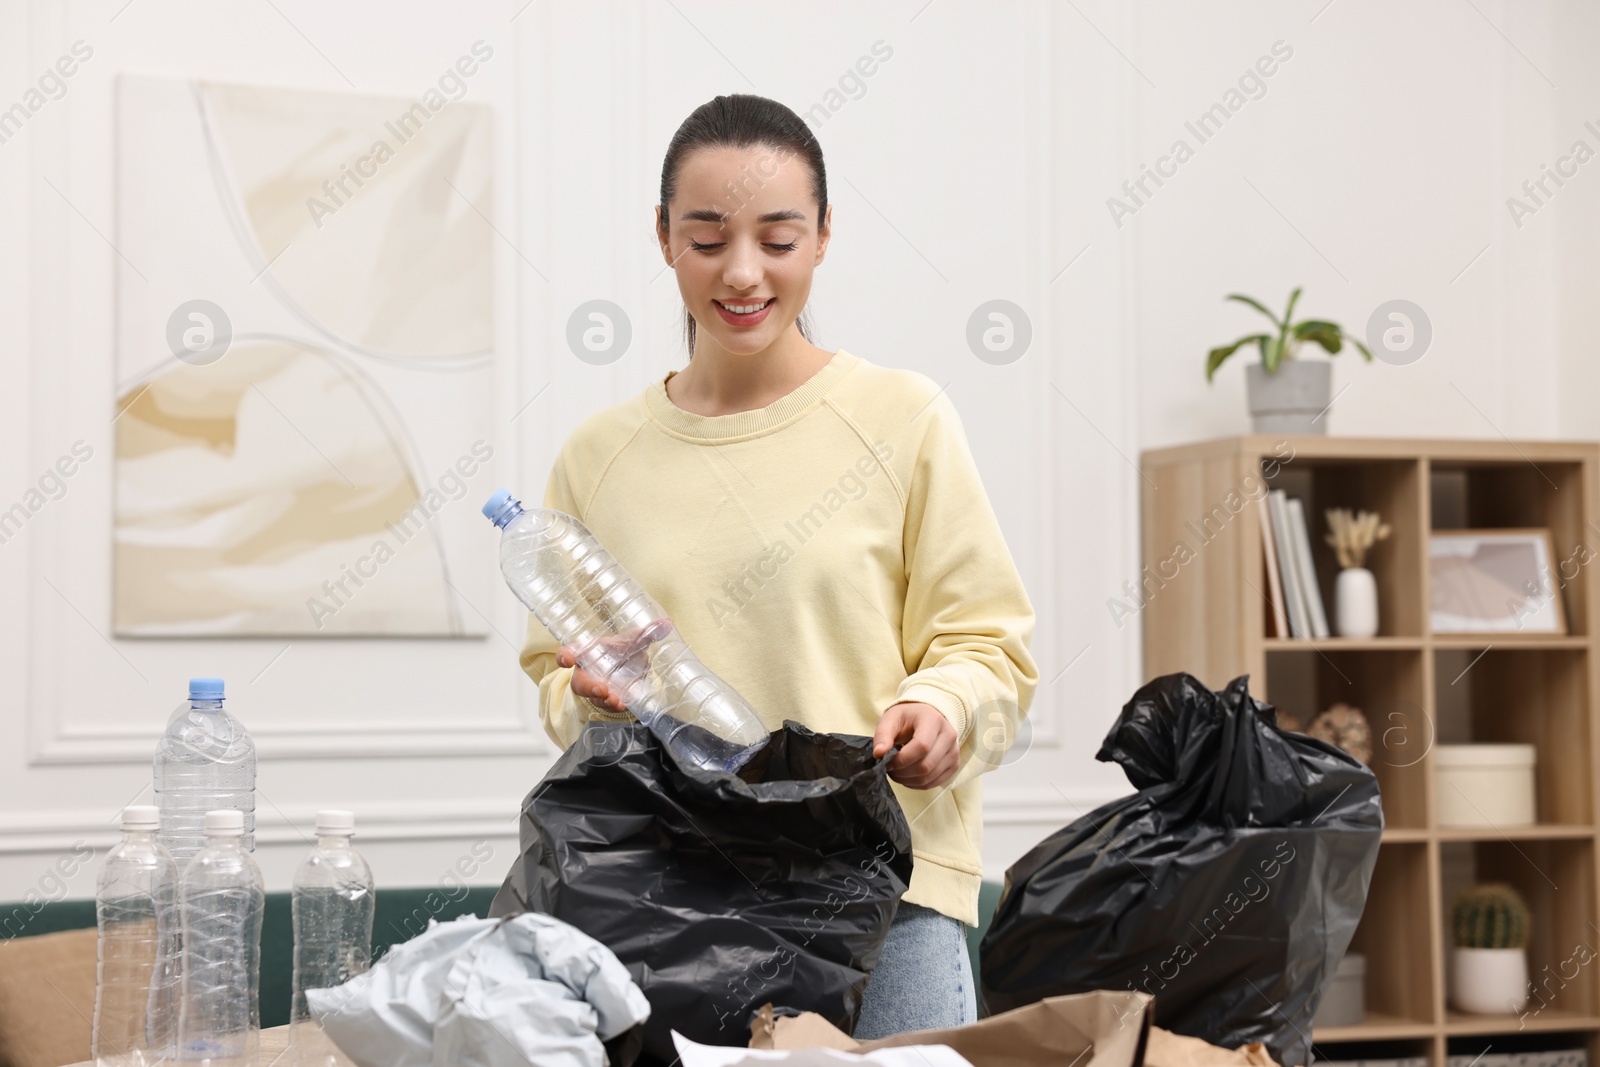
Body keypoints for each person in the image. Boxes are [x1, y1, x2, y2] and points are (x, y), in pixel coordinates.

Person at [519, 92, 1038, 1037]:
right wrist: (596, 697)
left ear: (826, 236)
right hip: (669, 906)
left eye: (779, 238)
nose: (743, 272)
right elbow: (552, 685)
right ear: (664, 238)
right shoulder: (598, 456)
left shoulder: (904, 418)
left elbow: (989, 647)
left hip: (885, 901)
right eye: (708, 238)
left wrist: (946, 710)